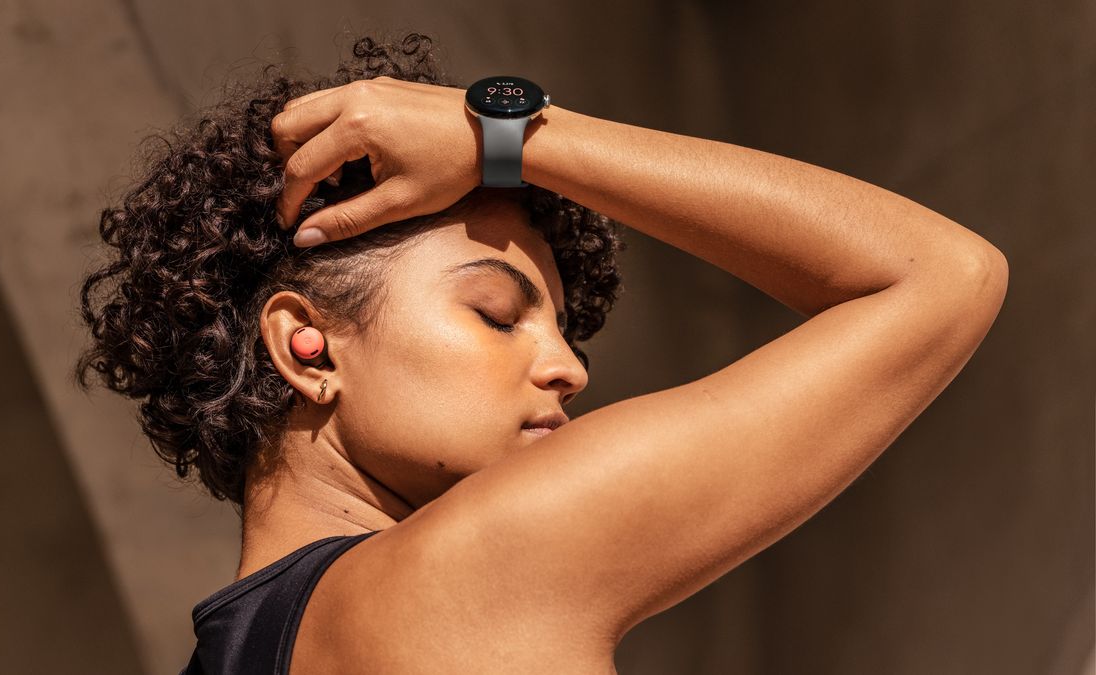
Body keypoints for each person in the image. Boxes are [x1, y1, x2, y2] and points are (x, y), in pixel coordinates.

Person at [75, 31, 1008, 675]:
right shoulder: (470, 571)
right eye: (495, 313)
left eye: (563, 327)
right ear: (307, 347)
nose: (569, 368)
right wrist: (508, 137)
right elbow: (939, 276)